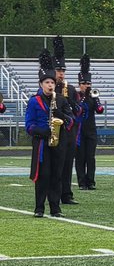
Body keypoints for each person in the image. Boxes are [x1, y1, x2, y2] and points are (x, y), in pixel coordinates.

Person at [25, 50, 65, 217]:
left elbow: (70, 119)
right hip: (41, 143)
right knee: (43, 175)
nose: (50, 85)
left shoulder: (60, 100)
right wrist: (44, 131)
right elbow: (29, 126)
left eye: (52, 83)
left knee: (56, 175)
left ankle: (55, 208)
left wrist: (61, 117)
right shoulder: (34, 101)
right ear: (41, 84)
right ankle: (39, 208)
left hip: (57, 142)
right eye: (47, 82)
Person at [52, 36, 79, 205]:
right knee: (56, 164)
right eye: (58, 70)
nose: (61, 73)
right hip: (54, 131)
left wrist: (70, 103)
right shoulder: (49, 86)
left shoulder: (69, 88)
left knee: (68, 163)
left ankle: (66, 194)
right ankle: (54, 193)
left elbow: (78, 110)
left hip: (68, 131)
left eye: (63, 71)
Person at [73, 55, 104, 191]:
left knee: (90, 157)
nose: (87, 86)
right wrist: (84, 99)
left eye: (88, 84)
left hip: (91, 130)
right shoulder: (76, 96)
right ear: (80, 84)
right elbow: (77, 111)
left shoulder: (93, 96)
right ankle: (81, 182)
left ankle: (90, 181)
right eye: (84, 83)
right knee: (80, 157)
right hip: (79, 131)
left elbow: (100, 111)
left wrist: (96, 100)